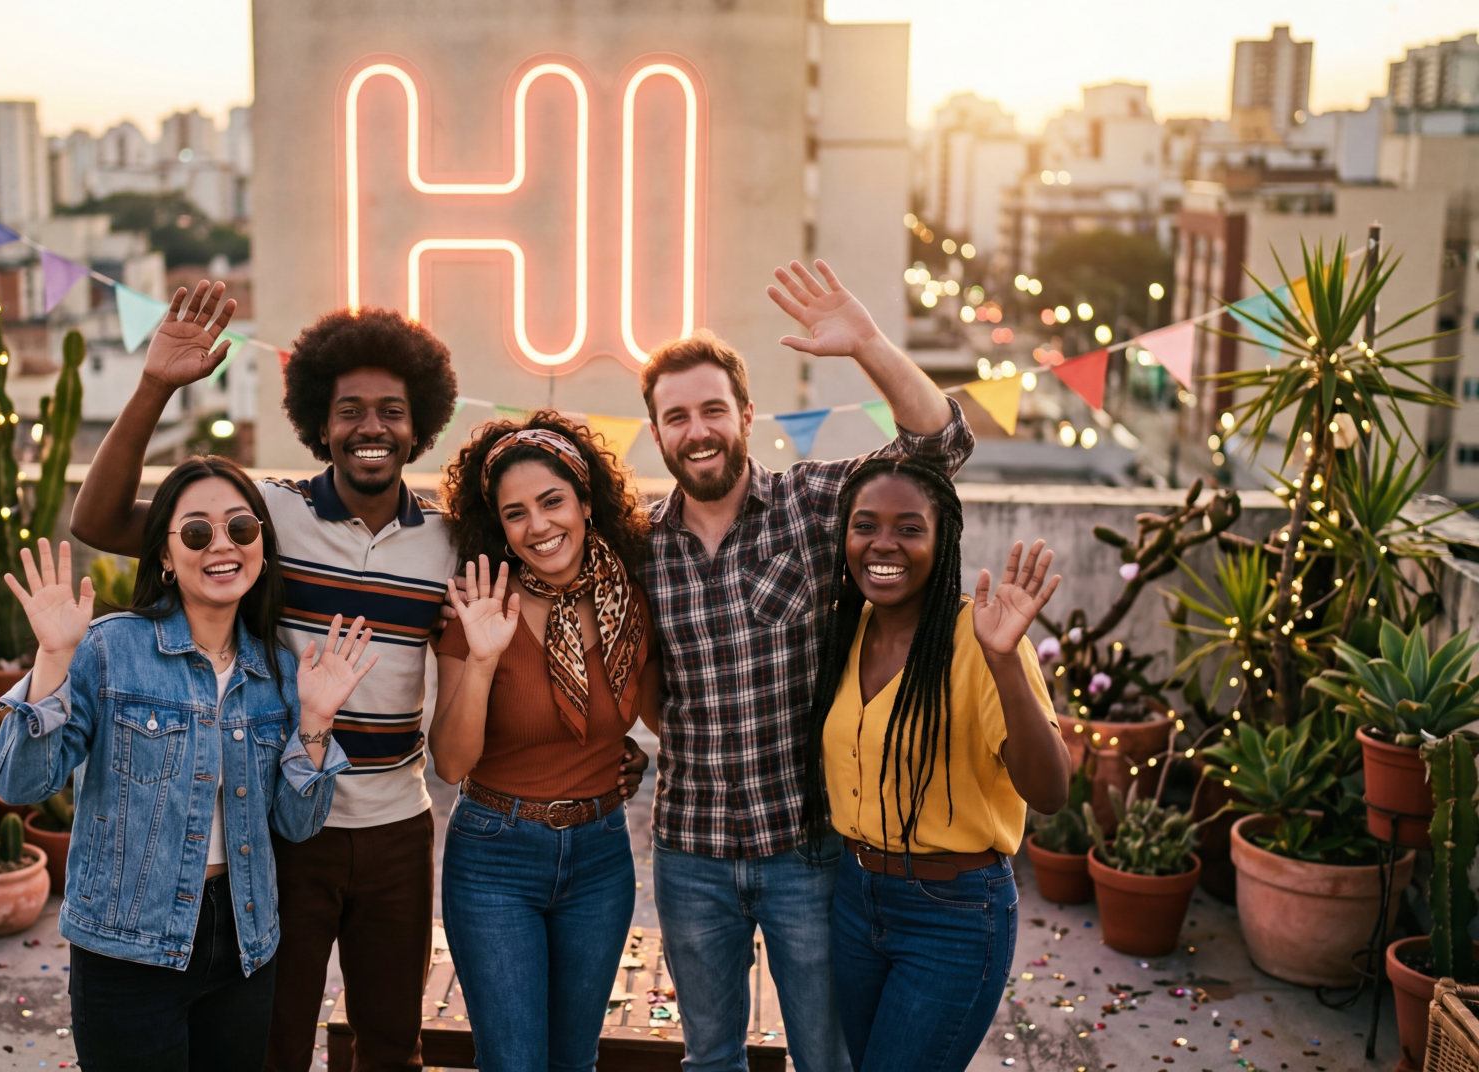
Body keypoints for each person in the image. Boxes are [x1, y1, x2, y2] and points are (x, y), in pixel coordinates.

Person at [68, 284, 653, 1072]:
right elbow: (98, 523)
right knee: (278, 1047)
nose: (370, 426)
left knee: (392, 1049)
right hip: (284, 829)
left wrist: (603, 749)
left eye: (391, 410)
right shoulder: (267, 519)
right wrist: (153, 388)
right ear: (317, 422)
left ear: (421, 426)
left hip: (398, 834)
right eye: (349, 410)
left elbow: (556, 579)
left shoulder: (452, 545)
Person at [636, 260, 974, 1072]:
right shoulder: (637, 545)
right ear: (657, 434)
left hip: (807, 850)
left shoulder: (814, 503)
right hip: (690, 854)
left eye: (714, 408)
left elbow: (939, 447)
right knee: (708, 1059)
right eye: (676, 417)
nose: (698, 430)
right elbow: (646, 686)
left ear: (746, 415)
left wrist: (868, 345)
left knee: (829, 1058)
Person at [0, 456, 380, 1071]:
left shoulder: (276, 673)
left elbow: (297, 825)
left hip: (244, 943)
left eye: (240, 529)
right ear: (166, 556)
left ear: (261, 546)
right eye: (197, 532)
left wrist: (314, 724)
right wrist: (52, 659)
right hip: (127, 947)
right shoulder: (110, 650)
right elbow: (19, 783)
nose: (221, 546)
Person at [809, 457, 1068, 1071]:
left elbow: (1051, 790)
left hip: (952, 913)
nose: (883, 544)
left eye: (909, 528)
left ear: (942, 539)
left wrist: (1004, 660)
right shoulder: (847, 628)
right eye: (865, 525)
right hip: (854, 897)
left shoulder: (982, 641)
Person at [428, 414, 661, 1072]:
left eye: (552, 501)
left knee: (574, 1063)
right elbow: (450, 763)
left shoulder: (632, 604)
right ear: (497, 526)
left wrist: (637, 754)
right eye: (515, 513)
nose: (538, 526)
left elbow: (654, 713)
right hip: (496, 856)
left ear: (586, 504)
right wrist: (481, 658)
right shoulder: (479, 607)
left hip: (601, 856)